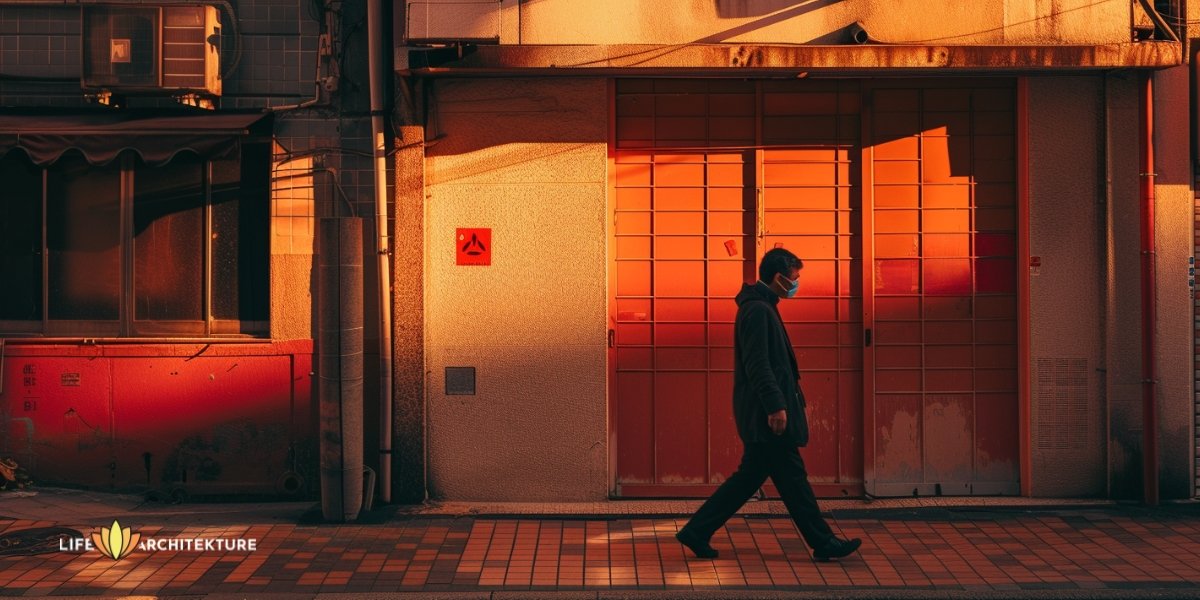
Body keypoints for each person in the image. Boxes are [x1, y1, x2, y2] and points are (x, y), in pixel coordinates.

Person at [675, 248, 862, 562]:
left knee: (755, 479)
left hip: (764, 412)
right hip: (767, 414)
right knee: (792, 479)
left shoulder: (762, 306)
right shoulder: (758, 311)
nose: (796, 284)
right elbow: (758, 364)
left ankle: (697, 531)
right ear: (779, 277)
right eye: (794, 278)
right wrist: (776, 406)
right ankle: (823, 541)